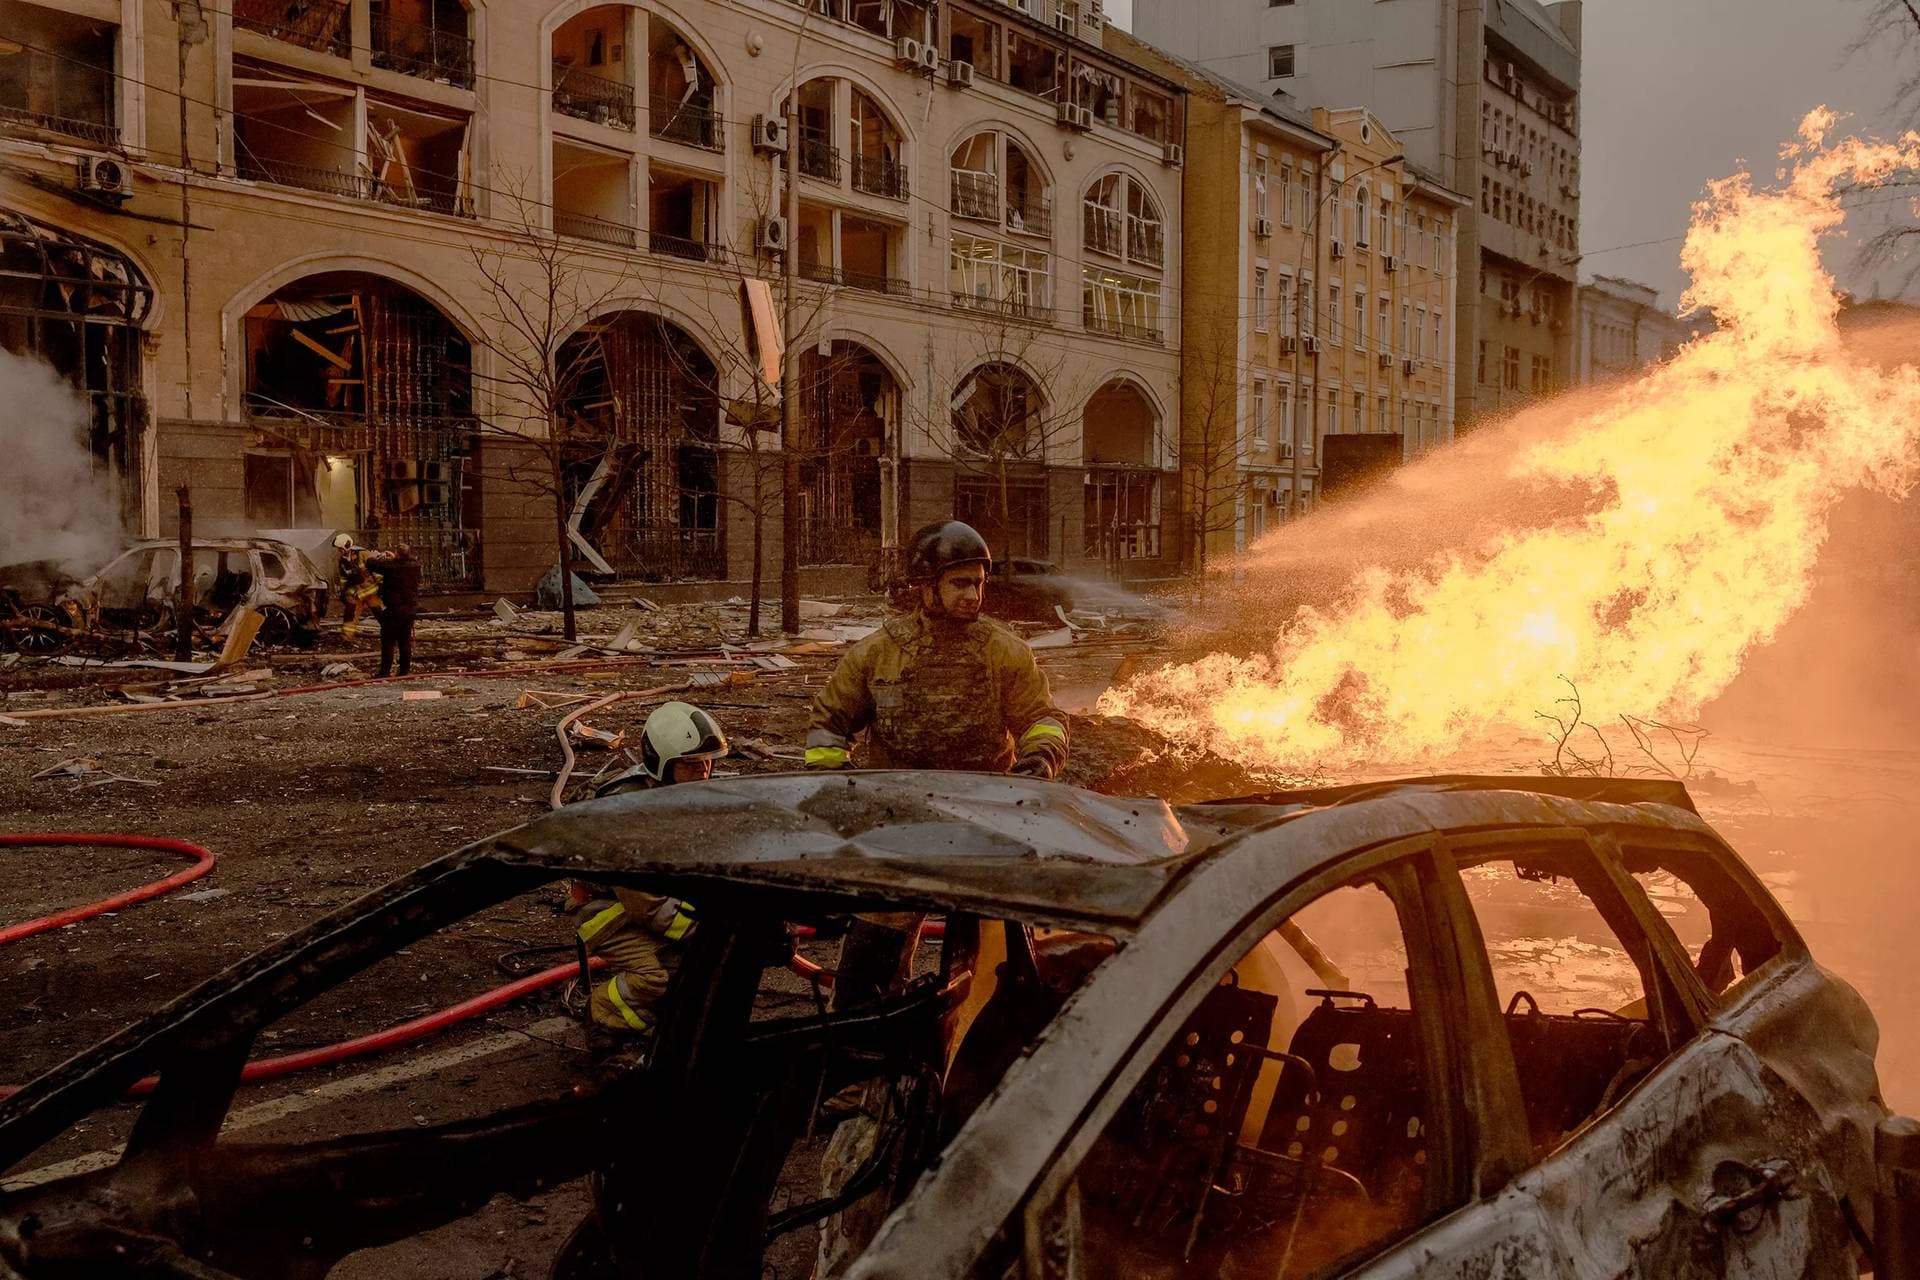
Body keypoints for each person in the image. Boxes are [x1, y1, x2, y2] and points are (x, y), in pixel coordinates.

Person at [805, 519, 1069, 778]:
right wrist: (836, 782)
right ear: (927, 585)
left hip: (985, 804)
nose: (974, 596)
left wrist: (1041, 757)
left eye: (978, 583)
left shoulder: (1006, 653)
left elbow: (1041, 719)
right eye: (960, 583)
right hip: (898, 805)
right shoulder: (876, 655)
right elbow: (828, 724)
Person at [569, 701, 728, 1039]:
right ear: (663, 764)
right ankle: (605, 1015)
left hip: (653, 900)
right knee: (664, 975)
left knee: (713, 964)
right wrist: (713, 931)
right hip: (606, 909)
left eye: (707, 763)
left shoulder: (681, 793)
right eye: (690, 764)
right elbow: (647, 902)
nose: (703, 773)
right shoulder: (629, 812)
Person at [365, 544, 421, 678]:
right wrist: (393, 557)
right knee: (405, 640)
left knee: (388, 640)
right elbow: (405, 562)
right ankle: (404, 671)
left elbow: (371, 564)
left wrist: (374, 556)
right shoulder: (415, 565)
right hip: (410, 609)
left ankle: (385, 671)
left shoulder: (391, 567)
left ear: (397, 554)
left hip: (394, 608)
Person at [332, 533, 382, 641]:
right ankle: (347, 637)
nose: (338, 552)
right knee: (350, 614)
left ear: (346, 546)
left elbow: (377, 569)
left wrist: (381, 585)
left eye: (340, 549)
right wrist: (343, 590)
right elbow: (344, 577)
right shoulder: (342, 561)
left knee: (380, 613)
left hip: (370, 591)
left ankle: (391, 633)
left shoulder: (363, 554)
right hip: (356, 592)